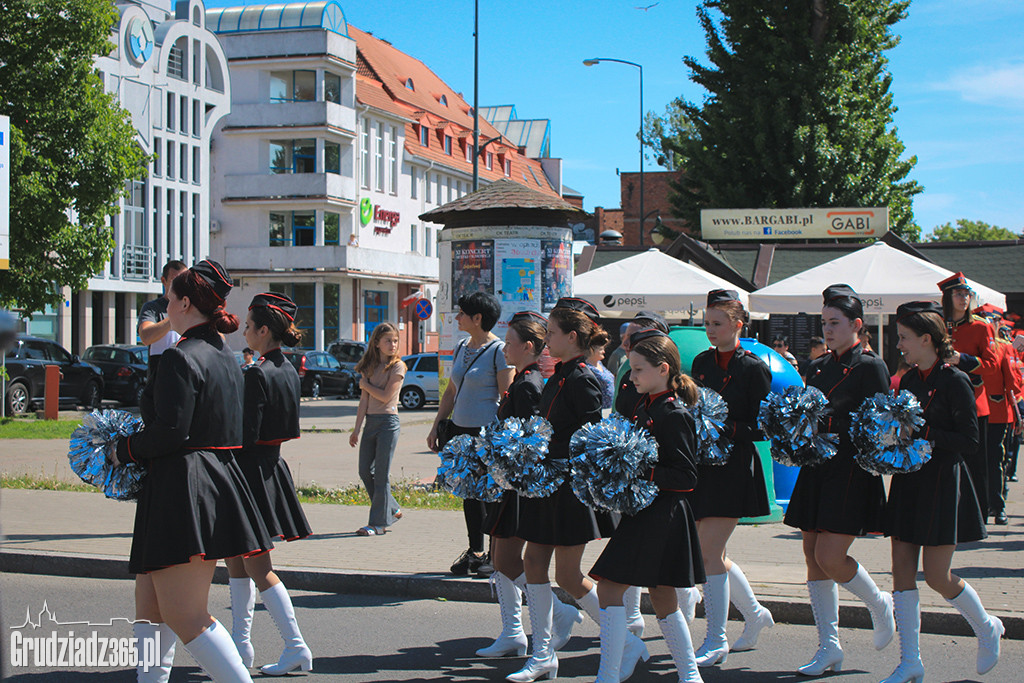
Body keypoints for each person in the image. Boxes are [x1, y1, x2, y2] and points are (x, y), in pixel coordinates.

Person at [113, 260, 271, 683]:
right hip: (204, 482)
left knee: (186, 616)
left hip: (182, 488)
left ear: (185, 303)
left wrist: (121, 449)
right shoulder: (226, 354)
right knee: (149, 611)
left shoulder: (181, 357)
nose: (165, 307)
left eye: (169, 300)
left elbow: (169, 434)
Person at [883, 301, 1001, 682]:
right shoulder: (912, 379)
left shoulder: (954, 380)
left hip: (941, 482)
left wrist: (924, 434)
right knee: (901, 568)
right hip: (909, 480)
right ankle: (910, 661)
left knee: (936, 575)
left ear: (926, 339)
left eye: (904, 337)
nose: (899, 344)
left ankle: (986, 627)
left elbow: (969, 439)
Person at [783, 284, 895, 676]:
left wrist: (832, 425)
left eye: (835, 323)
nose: (828, 330)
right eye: (825, 323)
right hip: (817, 467)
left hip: (850, 469)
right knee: (812, 557)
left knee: (830, 557)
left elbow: (881, 424)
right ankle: (829, 646)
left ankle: (878, 602)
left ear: (857, 325)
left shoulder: (871, 366)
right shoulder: (816, 366)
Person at [508, 297, 620, 683]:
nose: (547, 340)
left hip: (571, 491)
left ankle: (623, 641)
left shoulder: (583, 379)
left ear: (572, 337)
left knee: (570, 576)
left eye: (552, 333)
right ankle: (542, 656)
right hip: (548, 487)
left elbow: (590, 438)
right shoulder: (557, 375)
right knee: (533, 564)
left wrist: (552, 454)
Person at [589, 330, 705, 683]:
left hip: (663, 514)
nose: (632, 376)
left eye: (638, 370)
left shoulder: (673, 413)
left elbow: (687, 476)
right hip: (645, 512)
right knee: (662, 594)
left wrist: (643, 469)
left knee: (610, 588)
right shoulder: (645, 405)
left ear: (663, 369)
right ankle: (690, 676)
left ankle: (608, 675)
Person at [476, 311, 584, 659]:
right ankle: (513, 632)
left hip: (523, 484)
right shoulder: (524, 380)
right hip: (511, 480)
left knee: (508, 559)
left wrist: (505, 460)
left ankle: (558, 613)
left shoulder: (529, 384)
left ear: (528, 346)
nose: (504, 348)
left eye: (509, 343)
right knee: (500, 558)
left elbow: (530, 439)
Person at [226, 292, 314, 676]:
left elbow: (244, 434)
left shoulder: (257, 373)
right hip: (269, 469)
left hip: (248, 473)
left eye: (248, 326)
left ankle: (296, 646)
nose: (244, 331)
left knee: (258, 567)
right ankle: (240, 647)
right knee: (237, 562)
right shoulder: (287, 369)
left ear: (264, 331)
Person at [688, 290, 775, 667]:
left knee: (708, 554)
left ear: (738, 325)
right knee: (714, 554)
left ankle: (716, 638)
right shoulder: (702, 361)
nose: (710, 330)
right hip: (703, 465)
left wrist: (727, 426)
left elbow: (763, 425)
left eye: (717, 323)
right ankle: (755, 614)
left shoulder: (754, 367)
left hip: (735, 465)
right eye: (707, 323)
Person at [427, 292, 514, 575]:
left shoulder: (499, 351)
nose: (457, 317)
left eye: (462, 313)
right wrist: (438, 423)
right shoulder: (462, 346)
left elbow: (506, 395)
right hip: (460, 431)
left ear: (478, 318)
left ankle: (493, 555)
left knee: (490, 494)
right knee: (469, 494)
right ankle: (475, 551)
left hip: (485, 434)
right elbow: (451, 391)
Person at [939, 272, 999, 519]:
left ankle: (978, 514)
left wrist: (961, 360)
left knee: (976, 463)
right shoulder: (939, 324)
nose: (964, 298)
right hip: (942, 402)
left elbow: (993, 365)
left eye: (967, 294)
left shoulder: (980, 326)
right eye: (959, 294)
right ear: (948, 296)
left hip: (974, 403)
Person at [350, 322, 407, 536]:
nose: (392, 345)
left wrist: (365, 385)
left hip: (388, 424)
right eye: (388, 341)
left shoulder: (398, 366)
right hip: (371, 423)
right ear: (376, 344)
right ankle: (392, 508)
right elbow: (364, 402)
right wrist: (356, 429)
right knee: (365, 471)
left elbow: (385, 396)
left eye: (395, 341)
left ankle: (378, 524)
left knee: (381, 474)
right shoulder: (369, 367)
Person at [981, 334, 1021, 525]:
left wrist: (1017, 413)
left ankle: (998, 505)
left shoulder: (1003, 347)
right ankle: (979, 506)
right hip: (969, 410)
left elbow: (1012, 383)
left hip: (995, 412)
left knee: (995, 460)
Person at [137, 260, 188, 383]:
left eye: (185, 280)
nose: (181, 285)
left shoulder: (194, 308)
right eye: (175, 280)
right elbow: (146, 337)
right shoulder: (152, 308)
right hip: (159, 385)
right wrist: (174, 317)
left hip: (187, 381)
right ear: (164, 281)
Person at [586, 340, 615, 410]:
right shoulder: (587, 368)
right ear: (591, 349)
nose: (604, 352)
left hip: (610, 407)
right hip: (600, 408)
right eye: (601, 349)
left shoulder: (600, 364)